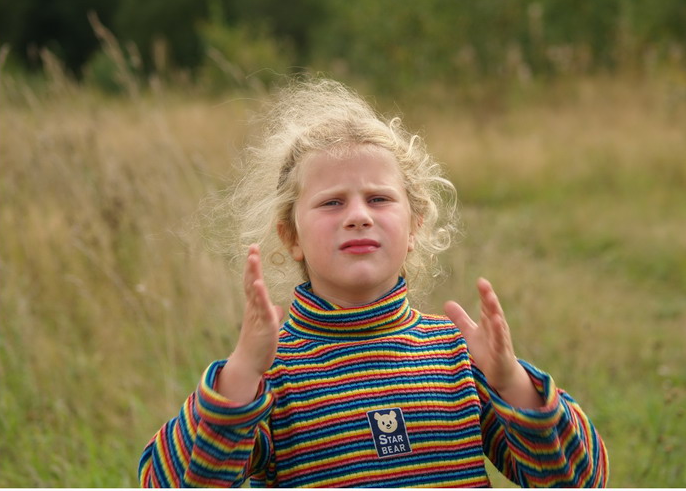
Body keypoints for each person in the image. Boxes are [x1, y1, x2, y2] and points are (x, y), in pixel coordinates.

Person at [138, 79, 608, 488]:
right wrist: (241, 374)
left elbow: (580, 480)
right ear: (290, 236)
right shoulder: (271, 373)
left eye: (379, 198)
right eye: (332, 203)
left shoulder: (457, 355)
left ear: (415, 226)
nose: (358, 216)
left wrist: (513, 384)